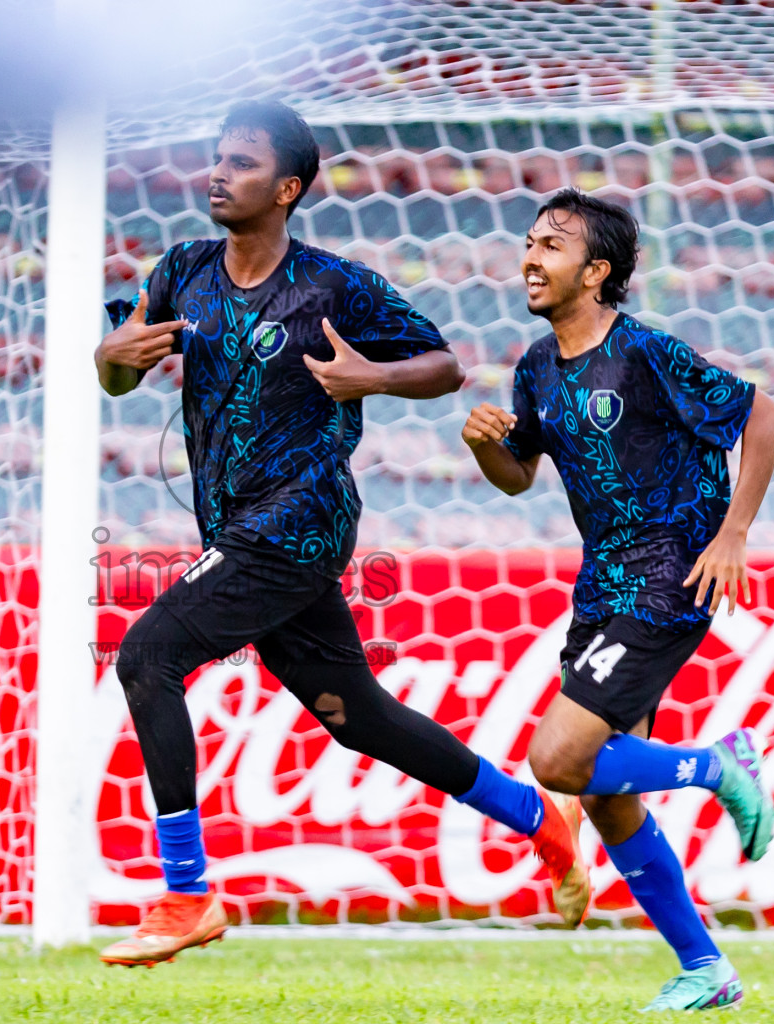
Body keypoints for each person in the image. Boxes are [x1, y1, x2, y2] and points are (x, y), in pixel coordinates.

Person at [93, 100, 593, 967]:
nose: (218, 171)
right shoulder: (180, 270)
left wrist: (373, 375)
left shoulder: (334, 285)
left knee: (148, 655)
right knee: (355, 716)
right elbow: (116, 375)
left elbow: (442, 365)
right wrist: (113, 360)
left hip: (301, 519)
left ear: (286, 188)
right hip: (235, 521)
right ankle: (538, 817)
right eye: (216, 157)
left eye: (240, 162)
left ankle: (184, 895)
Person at [461, 188, 774, 1011]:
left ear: (596, 271)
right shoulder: (536, 367)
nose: (530, 257)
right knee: (607, 798)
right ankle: (705, 969)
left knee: (555, 760)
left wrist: (734, 533)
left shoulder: (644, 353)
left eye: (551, 247)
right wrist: (486, 449)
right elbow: (518, 478)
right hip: (601, 583)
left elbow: (765, 414)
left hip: (669, 575)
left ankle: (719, 765)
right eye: (529, 241)